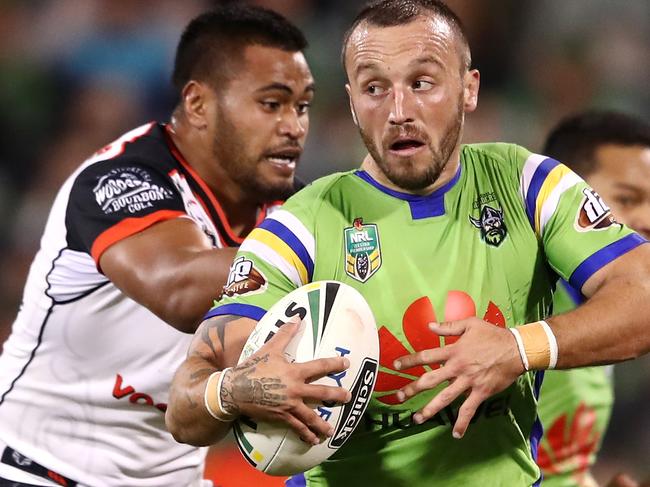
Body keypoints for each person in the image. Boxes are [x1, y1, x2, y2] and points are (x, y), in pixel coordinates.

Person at [166, 1, 650, 485]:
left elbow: (641, 292)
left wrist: (518, 348)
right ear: (352, 101)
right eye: (375, 88)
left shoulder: (526, 184)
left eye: (422, 83)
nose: (399, 112)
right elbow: (185, 404)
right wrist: (230, 390)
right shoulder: (300, 229)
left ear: (468, 89)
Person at [0, 5, 349, 487]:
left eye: (303, 106)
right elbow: (180, 292)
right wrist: (335, 265)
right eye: (272, 104)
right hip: (38, 468)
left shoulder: (297, 210)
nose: (294, 126)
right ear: (199, 104)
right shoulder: (119, 181)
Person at [537, 111, 650, 487]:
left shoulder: (613, 312)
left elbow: (552, 467)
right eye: (626, 198)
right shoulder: (517, 304)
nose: (647, 218)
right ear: (566, 199)